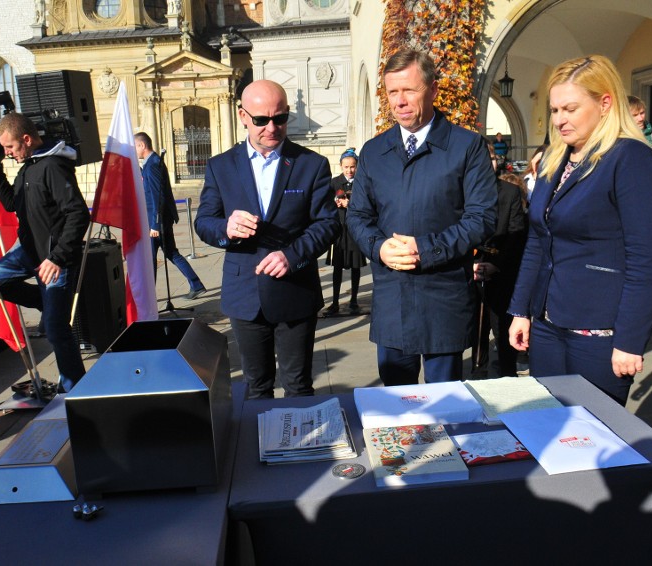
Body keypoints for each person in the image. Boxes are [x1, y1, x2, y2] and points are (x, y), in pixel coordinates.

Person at [507, 55, 652, 406]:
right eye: (554, 110)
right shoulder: (556, 158)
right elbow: (537, 239)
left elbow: (647, 259)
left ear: (605, 103)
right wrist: (521, 309)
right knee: (548, 428)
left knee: (594, 441)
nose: (560, 119)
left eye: (570, 108)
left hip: (599, 332)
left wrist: (629, 340)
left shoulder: (631, 159)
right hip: (548, 323)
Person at [347, 48, 497, 386]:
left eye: (408, 90)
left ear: (432, 90)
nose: (398, 101)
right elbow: (357, 215)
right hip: (392, 298)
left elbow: (482, 218)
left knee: (447, 407)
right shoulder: (374, 151)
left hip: (443, 299)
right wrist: (379, 247)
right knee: (396, 407)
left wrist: (425, 250)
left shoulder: (466, 147)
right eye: (392, 92)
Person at [194, 80, 339, 399]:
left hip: (295, 291)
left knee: (298, 385)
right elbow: (204, 222)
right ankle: (258, 448)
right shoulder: (221, 166)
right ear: (243, 116)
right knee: (255, 387)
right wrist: (225, 229)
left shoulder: (311, 165)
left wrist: (293, 255)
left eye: (281, 118)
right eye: (261, 120)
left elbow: (328, 224)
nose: (272, 127)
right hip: (244, 293)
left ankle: (301, 448)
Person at [0, 112, 89, 392]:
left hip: (55, 259)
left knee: (55, 329)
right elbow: (12, 204)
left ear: (26, 139)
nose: (8, 153)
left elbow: (78, 214)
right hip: (29, 253)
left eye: (11, 147)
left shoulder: (53, 166)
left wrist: (57, 257)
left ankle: (75, 388)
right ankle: (45, 301)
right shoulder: (28, 166)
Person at [471, 145, 527, 378]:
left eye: (492, 158)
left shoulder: (510, 192)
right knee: (475, 333)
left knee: (503, 333)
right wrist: (470, 264)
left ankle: (507, 376)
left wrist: (496, 264)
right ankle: (477, 372)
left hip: (500, 270)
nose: (488, 162)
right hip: (470, 269)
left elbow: (516, 234)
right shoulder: (462, 190)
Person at [134, 132, 206, 299]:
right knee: (172, 253)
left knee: (150, 259)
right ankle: (196, 284)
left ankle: (148, 298)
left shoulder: (152, 165)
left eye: (134, 147)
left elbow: (158, 197)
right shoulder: (151, 163)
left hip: (156, 223)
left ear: (142, 146)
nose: (134, 151)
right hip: (160, 221)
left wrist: (154, 225)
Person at [324, 148, 366, 316]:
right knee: (337, 267)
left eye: (353, 166)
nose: (349, 170)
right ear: (341, 166)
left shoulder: (362, 182)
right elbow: (325, 203)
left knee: (355, 268)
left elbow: (367, 204)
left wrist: (351, 205)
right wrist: (334, 204)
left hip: (355, 230)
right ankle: (334, 301)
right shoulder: (334, 183)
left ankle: (354, 300)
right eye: (346, 166)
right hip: (339, 231)